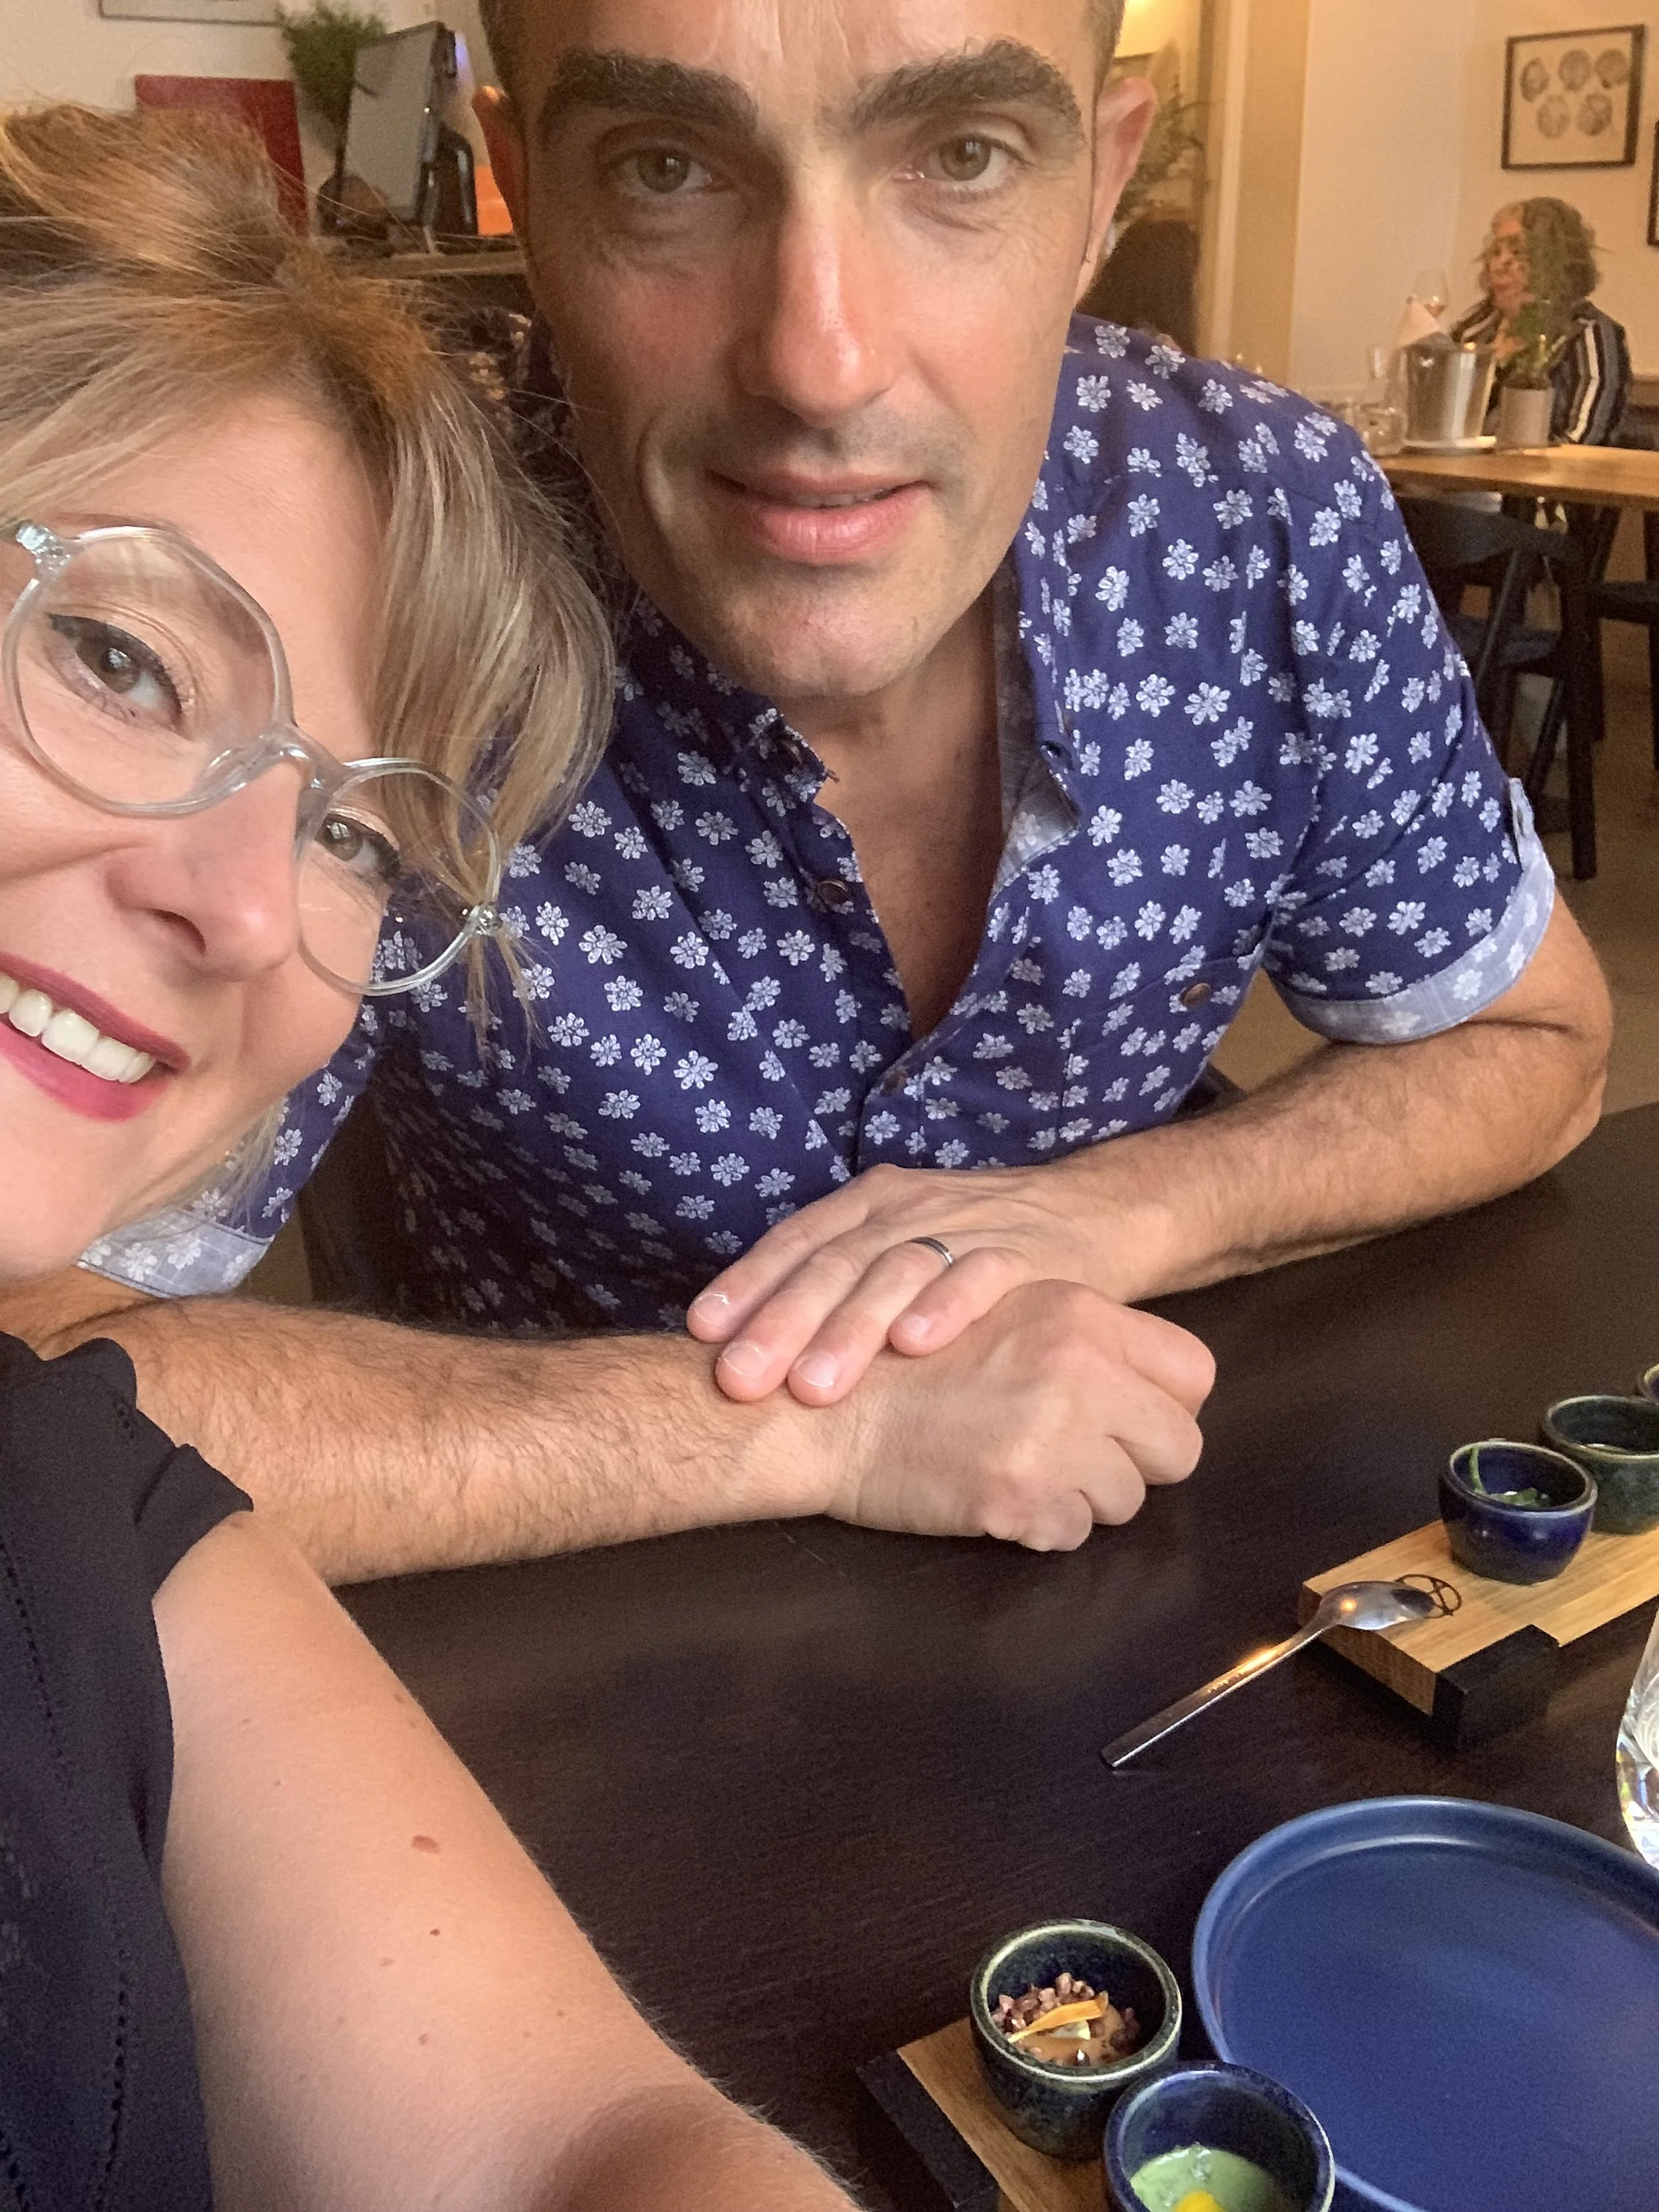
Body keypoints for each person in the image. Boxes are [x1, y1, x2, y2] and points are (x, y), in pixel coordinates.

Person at [18, 0, 1609, 1584]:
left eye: (964, 156)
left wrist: (1116, 1212)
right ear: (531, 194)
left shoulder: (1258, 518)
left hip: (1135, 1560)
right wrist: (796, 1431)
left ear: (1098, 193)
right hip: (567, 1642)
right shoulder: (400, 587)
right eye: (663, 168)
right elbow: (42, 1379)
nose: (819, 360)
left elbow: (1533, 1037)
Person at [0, 102, 855, 2212]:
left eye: (358, 837)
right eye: (120, 657)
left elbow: (574, 2146)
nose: (248, 905)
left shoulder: (65, 1495)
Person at [1450, 198, 1630, 445]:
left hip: (1535, 481)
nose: (1500, 265)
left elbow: (1583, 444)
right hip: (1453, 477)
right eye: (1496, 252)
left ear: (1557, 263)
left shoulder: (1591, 334)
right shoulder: (1474, 329)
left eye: (1518, 252)